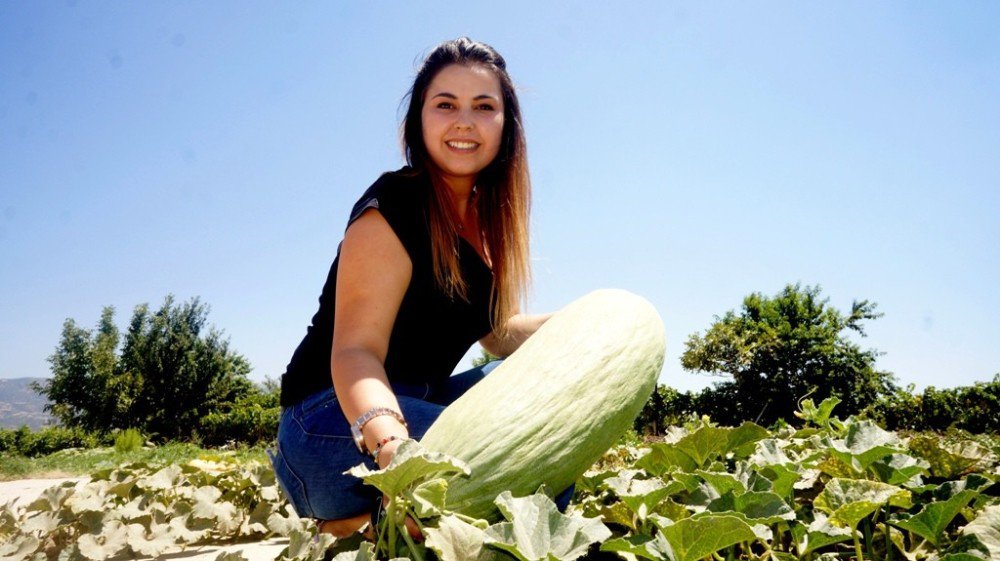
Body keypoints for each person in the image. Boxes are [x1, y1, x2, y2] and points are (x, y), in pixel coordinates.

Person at [271, 37, 555, 538]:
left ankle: (375, 526)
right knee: (522, 451)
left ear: (506, 124)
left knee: (534, 406)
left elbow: (497, 335)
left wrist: (581, 325)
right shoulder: (395, 205)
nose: (464, 121)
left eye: (483, 106)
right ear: (418, 119)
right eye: (445, 104)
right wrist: (395, 451)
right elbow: (355, 351)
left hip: (422, 402)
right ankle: (363, 520)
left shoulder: (490, 230)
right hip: (329, 423)